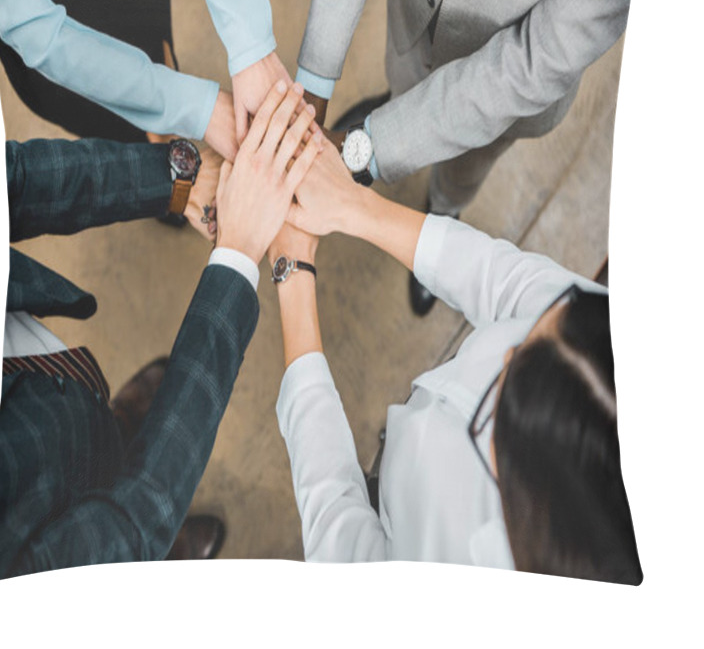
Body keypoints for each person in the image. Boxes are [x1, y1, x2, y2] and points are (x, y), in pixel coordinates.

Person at [0, 82, 323, 583]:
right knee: (135, 549)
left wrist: (177, 179)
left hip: (46, 404)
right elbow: (132, 529)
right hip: (90, 557)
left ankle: (115, 423)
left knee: (99, 432)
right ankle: (167, 560)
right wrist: (238, 255)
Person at [270, 140, 641, 583]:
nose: (504, 349)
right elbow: (504, 283)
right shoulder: (603, 352)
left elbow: (339, 536)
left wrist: (291, 266)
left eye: (513, 371)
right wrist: (354, 207)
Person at [294, 0, 642, 314]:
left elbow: (533, 63)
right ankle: (388, 107)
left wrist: (364, 150)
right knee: (401, 74)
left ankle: (443, 209)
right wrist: (312, 91)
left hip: (504, 90)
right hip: (414, 3)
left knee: (465, 166)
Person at [0, 0, 292, 160]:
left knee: (159, 48)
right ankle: (169, 188)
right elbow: (47, 42)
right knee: (123, 132)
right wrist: (199, 109)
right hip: (51, 33)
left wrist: (251, 49)